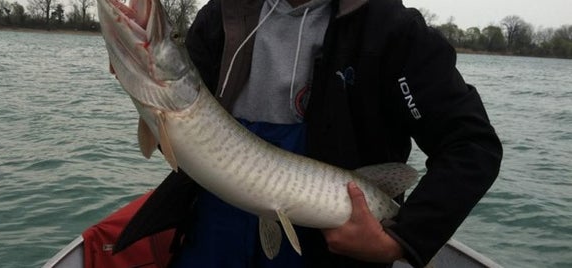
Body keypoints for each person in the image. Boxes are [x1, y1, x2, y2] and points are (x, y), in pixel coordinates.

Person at [121, 0, 503, 267]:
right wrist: (139, 77)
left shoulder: (394, 31)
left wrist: (400, 239)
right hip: (214, 231)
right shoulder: (225, 12)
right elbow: (181, 110)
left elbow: (471, 145)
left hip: (328, 254)